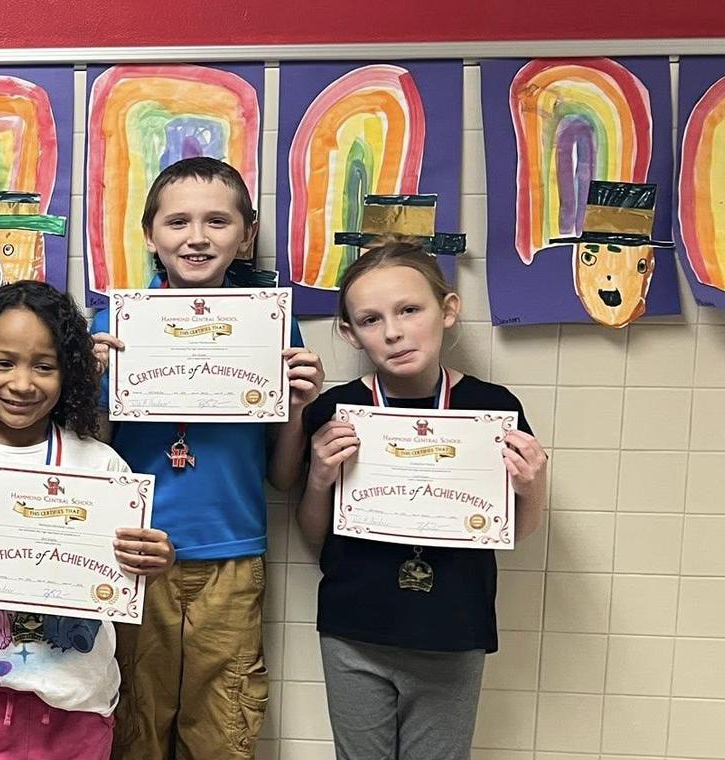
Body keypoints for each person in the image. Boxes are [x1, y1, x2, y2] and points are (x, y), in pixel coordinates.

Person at [89, 157, 323, 760]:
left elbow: (282, 476)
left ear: (246, 235)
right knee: (134, 723)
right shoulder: (112, 326)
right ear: (150, 235)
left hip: (232, 557)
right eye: (178, 222)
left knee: (223, 727)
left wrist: (300, 407)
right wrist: (94, 387)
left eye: (217, 221)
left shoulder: (273, 326)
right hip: (133, 554)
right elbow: (93, 461)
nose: (197, 237)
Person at [299, 242, 548, 759]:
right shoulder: (336, 410)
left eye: (410, 309)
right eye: (371, 319)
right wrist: (320, 477)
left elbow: (514, 530)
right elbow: (312, 534)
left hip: (453, 629)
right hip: (354, 629)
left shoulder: (492, 408)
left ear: (448, 310)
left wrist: (533, 487)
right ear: (349, 332)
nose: (393, 332)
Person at [0, 280, 175, 759]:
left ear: (68, 371)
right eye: (3, 362)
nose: (22, 384)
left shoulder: (102, 467)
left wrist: (156, 560)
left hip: (80, 701)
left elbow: (127, 578)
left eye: (44, 366)